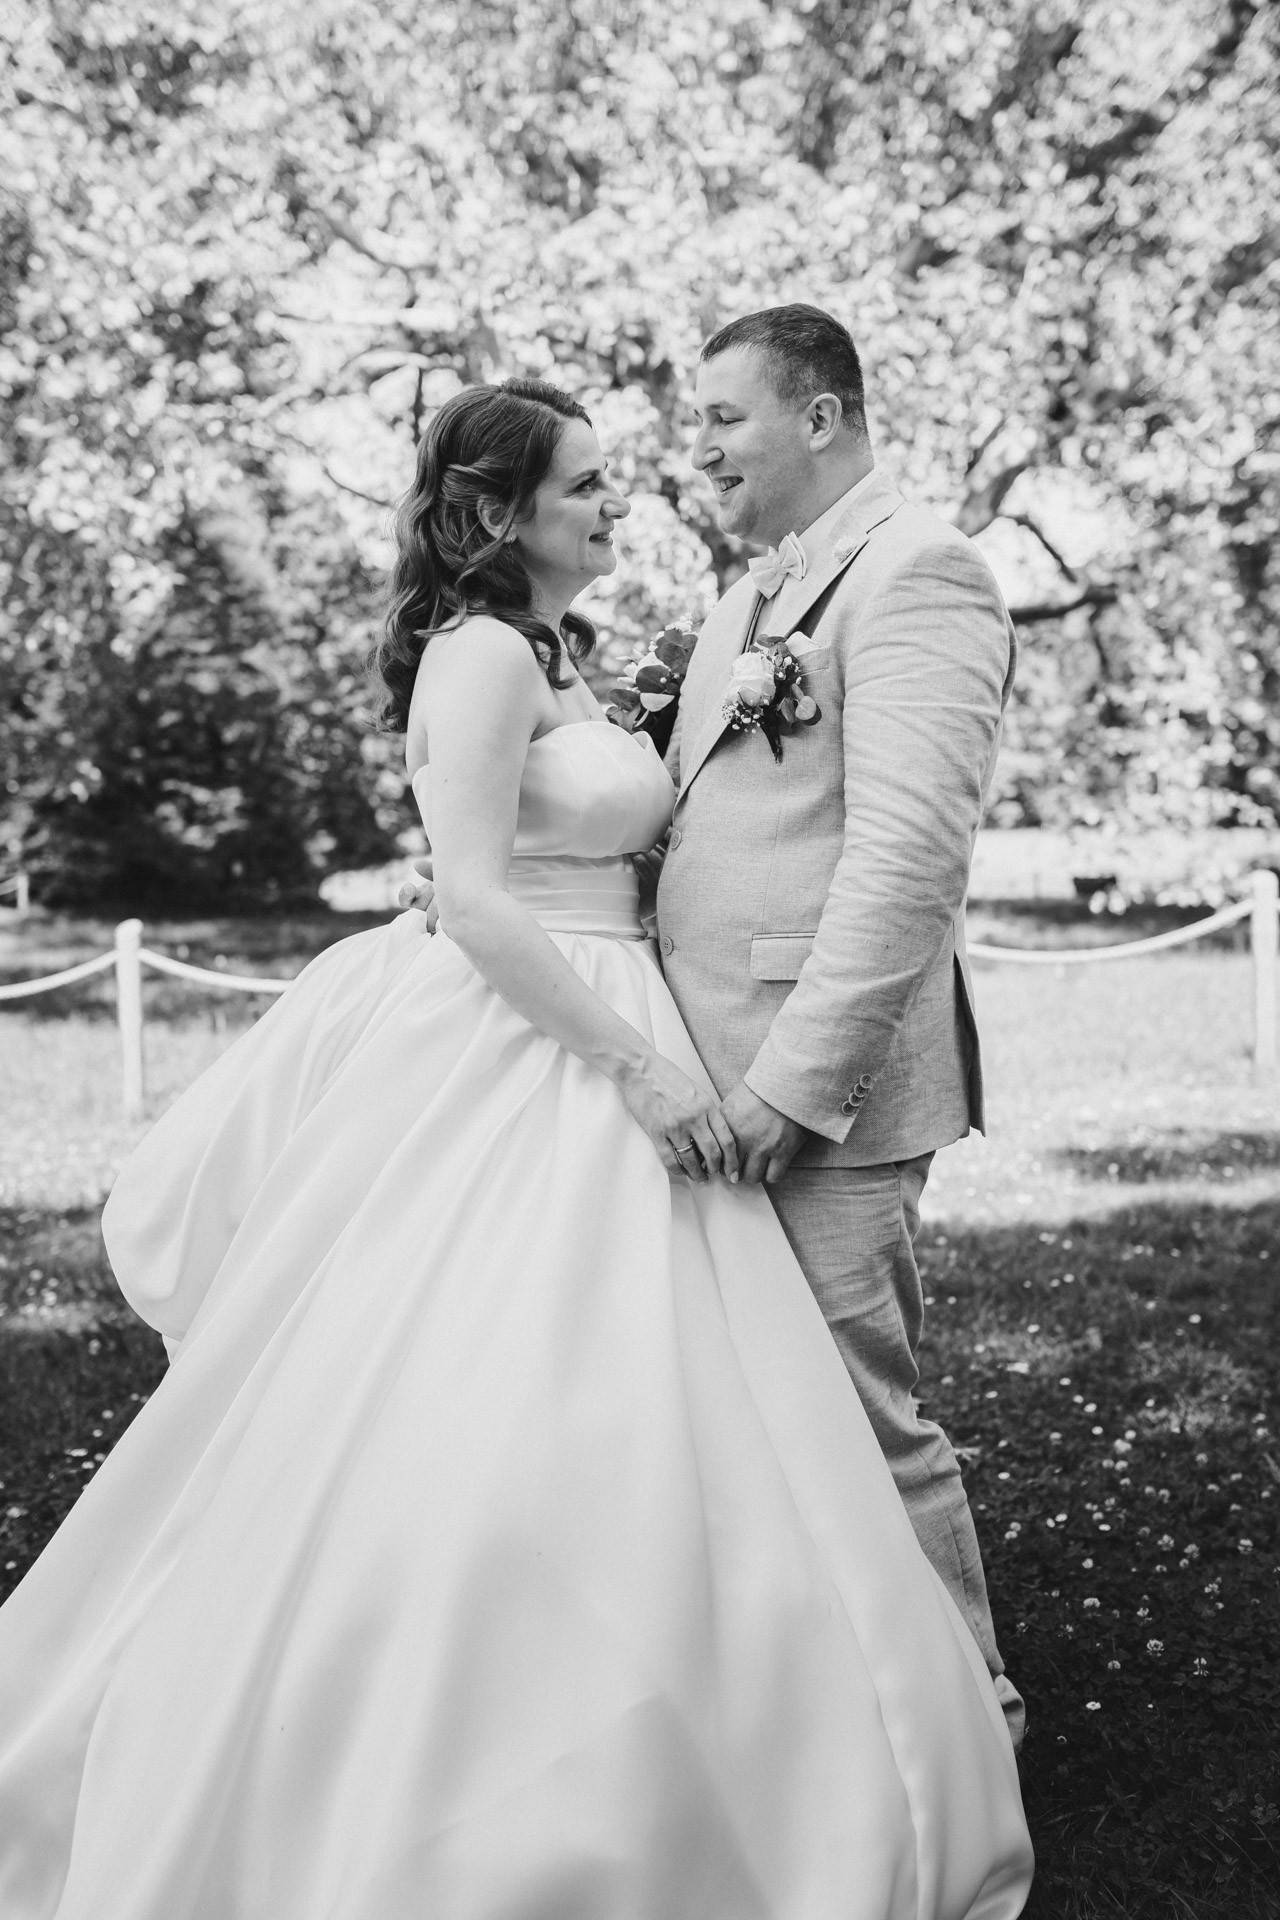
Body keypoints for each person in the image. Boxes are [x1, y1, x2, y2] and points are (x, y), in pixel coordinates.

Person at [0, 380, 1032, 1919]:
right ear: (500, 511)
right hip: (543, 1049)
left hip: (619, 1007)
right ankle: (447, 1734)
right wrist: (638, 1070)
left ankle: (718, 1712)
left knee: (676, 1399)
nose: (622, 501)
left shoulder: (566, 654)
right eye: (588, 485)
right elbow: (479, 896)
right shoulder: (481, 653)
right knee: (494, 1384)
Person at [659, 306, 1025, 1744]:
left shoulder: (922, 572)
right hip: (705, 1079)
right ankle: (821, 1727)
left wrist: (794, 1086)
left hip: (822, 1098)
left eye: (723, 418)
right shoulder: (746, 603)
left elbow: (907, 865)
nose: (701, 450)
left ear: (818, 417)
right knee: (749, 1421)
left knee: (861, 1416)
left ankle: (972, 1721)